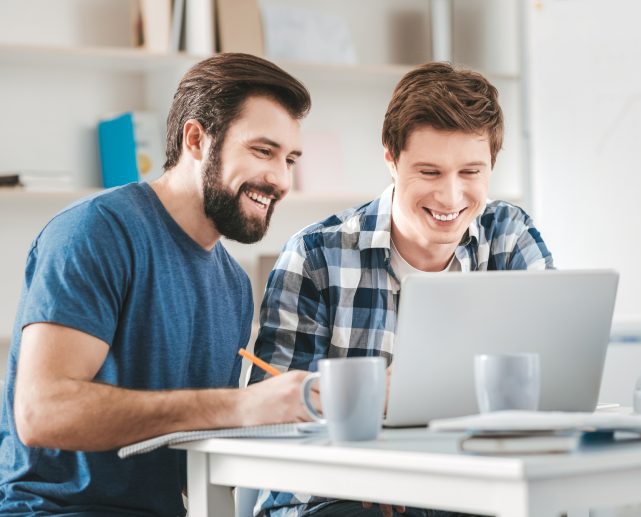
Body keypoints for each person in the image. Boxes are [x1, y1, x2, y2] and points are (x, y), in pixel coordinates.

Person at [0, 53, 315, 516]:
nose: (280, 180)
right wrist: (239, 407)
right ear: (196, 139)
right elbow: (42, 412)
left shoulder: (233, 283)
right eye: (263, 151)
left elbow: (196, 437)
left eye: (289, 159)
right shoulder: (95, 233)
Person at [248, 62, 554, 516]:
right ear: (390, 158)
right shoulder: (315, 257)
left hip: (470, 486)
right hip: (337, 497)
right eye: (430, 173)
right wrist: (371, 466)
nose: (451, 198)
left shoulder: (509, 236)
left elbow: (550, 382)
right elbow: (271, 418)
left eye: (471, 172)